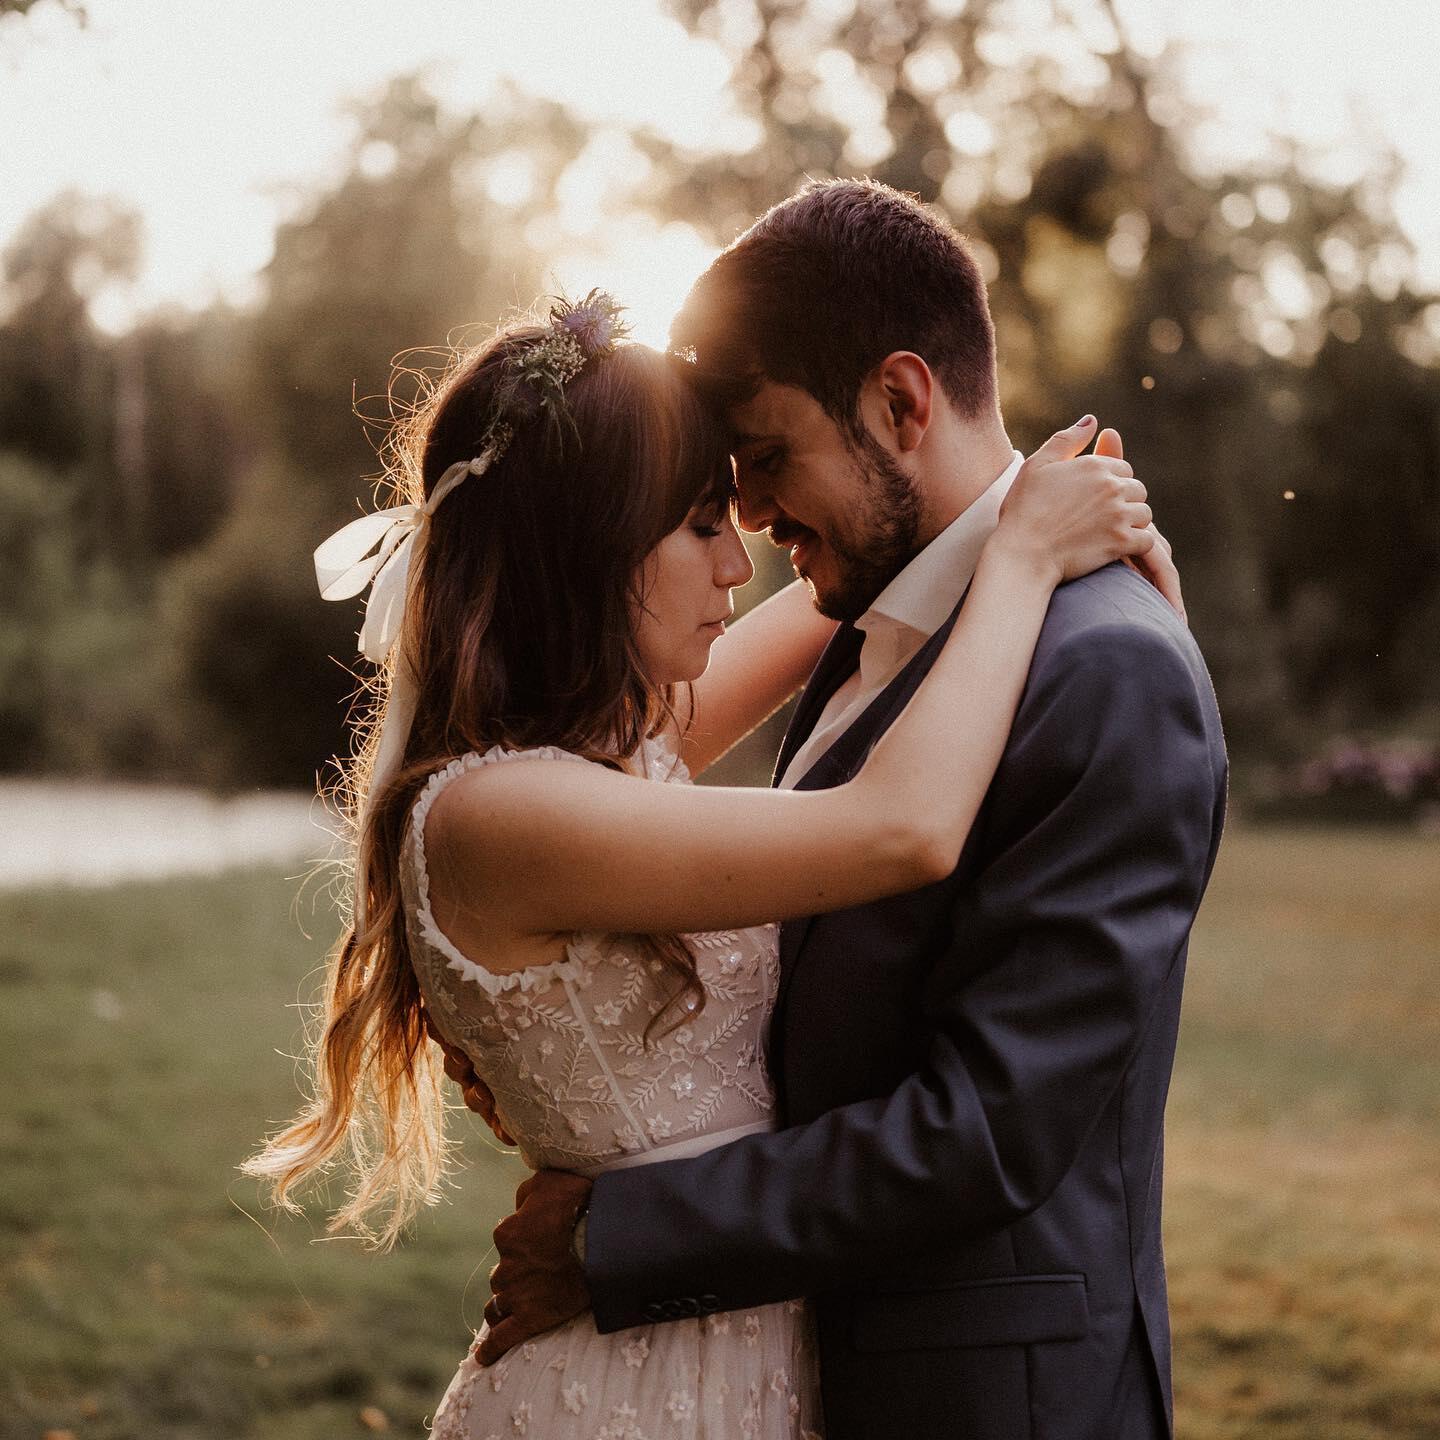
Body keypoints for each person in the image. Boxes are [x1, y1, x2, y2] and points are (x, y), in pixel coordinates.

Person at [245, 284, 1172, 1440]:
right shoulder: (505, 814)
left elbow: (869, 582)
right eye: (698, 524)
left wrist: (1024, 501)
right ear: (580, 550)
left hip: (738, 1345)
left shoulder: (603, 757)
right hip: (626, 1389)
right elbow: (905, 825)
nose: (740, 569)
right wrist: (1029, 555)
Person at [469, 182, 1229, 1440]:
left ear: (899, 401)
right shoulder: (866, 615)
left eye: (765, 460)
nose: (752, 524)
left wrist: (628, 1230)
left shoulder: (1107, 669)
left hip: (987, 1403)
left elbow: (989, 1128)